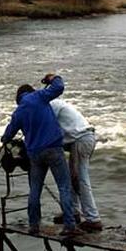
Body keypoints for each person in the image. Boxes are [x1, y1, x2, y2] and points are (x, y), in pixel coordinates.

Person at [0, 75, 81, 237]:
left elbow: (7, 135)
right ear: (32, 91)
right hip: (53, 149)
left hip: (34, 154)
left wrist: (6, 140)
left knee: (34, 190)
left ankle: (34, 225)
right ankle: (70, 226)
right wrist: (53, 77)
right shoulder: (39, 96)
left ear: (19, 98)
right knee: (64, 187)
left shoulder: (19, 111)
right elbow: (59, 87)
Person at [49, 97, 103, 232]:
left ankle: (93, 218)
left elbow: (47, 127)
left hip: (81, 140)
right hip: (82, 139)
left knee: (80, 179)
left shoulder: (52, 106)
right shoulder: (56, 104)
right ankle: (73, 211)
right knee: (72, 177)